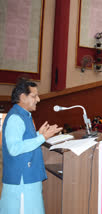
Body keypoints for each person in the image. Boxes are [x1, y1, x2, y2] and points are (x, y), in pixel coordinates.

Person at [0, 78, 62, 214]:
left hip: (28, 177)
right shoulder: (16, 118)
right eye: (34, 96)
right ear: (22, 97)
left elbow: (23, 140)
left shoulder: (24, 116)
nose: (38, 99)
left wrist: (38, 134)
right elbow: (14, 148)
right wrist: (42, 137)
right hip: (22, 179)